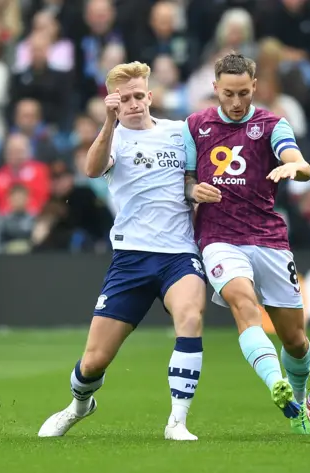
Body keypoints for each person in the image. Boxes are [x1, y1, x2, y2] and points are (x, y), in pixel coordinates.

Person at [38, 62, 207, 441]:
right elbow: (92, 169)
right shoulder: (112, 138)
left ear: (149, 96)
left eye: (137, 96)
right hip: (131, 258)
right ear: (114, 102)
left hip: (179, 254)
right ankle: (79, 405)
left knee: (191, 317)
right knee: (94, 361)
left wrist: (194, 191)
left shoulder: (178, 133)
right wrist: (108, 122)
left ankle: (177, 421)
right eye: (124, 99)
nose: (132, 104)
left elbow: (191, 180)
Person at [182, 53, 310, 434]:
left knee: (296, 341)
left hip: (269, 238)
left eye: (243, 93)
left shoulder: (272, 124)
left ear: (254, 87)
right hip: (220, 238)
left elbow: (300, 163)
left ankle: (299, 399)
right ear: (215, 89)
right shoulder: (196, 126)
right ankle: (275, 382)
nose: (237, 102)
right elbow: (186, 181)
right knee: (244, 304)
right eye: (228, 94)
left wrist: (296, 167)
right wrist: (194, 190)